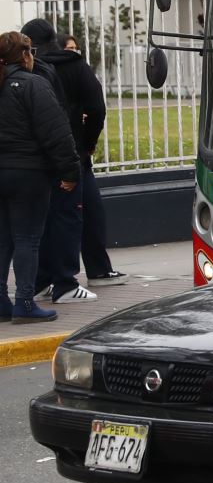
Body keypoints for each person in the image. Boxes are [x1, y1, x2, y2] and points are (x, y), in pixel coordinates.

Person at [23, 20, 123, 293]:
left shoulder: (27, 71)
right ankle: (67, 282)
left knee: (46, 218)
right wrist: (88, 143)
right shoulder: (73, 66)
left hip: (40, 156)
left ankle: (43, 280)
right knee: (71, 215)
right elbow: (96, 107)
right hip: (72, 152)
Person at [0, 32, 80, 322]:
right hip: (28, 174)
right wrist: (70, 172)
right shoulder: (34, 85)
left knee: (3, 240)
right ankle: (24, 302)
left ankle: (1, 301)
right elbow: (56, 134)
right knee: (27, 239)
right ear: (25, 56)